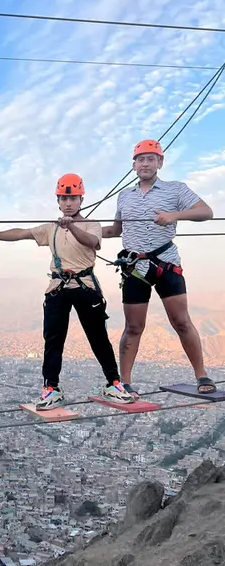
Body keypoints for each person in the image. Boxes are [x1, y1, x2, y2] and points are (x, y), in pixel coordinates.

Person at [0, 174, 132, 410]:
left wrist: (71, 227)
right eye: (64, 198)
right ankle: (51, 388)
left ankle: (113, 383)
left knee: (98, 337)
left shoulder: (91, 224)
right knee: (53, 340)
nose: (68, 203)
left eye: (73, 198)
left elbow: (91, 241)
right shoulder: (51, 228)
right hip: (58, 287)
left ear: (81, 200)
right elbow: (21, 233)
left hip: (84, 286)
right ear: (58, 201)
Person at [102, 139, 215, 395]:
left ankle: (202, 375)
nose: (145, 163)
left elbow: (205, 211)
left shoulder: (175, 190)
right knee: (133, 326)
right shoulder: (124, 196)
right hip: (135, 267)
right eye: (140, 159)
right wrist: (80, 230)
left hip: (167, 263)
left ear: (160, 163)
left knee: (181, 321)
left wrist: (174, 216)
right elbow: (115, 230)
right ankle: (124, 383)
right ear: (134, 165)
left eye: (151, 159)